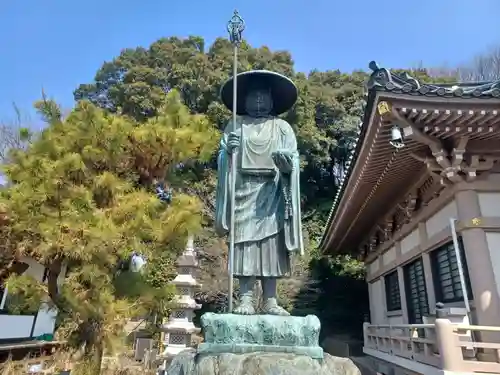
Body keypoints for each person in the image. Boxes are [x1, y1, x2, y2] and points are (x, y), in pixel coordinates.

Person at [215, 70, 304, 316]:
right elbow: (223, 158)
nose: (257, 102)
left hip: (273, 191)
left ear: (272, 100)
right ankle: (245, 298)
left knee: (271, 246)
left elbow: (294, 161)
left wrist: (287, 166)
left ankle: (271, 300)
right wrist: (228, 153)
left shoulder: (283, 128)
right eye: (252, 96)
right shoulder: (235, 124)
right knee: (244, 243)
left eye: (262, 96)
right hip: (243, 191)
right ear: (243, 99)